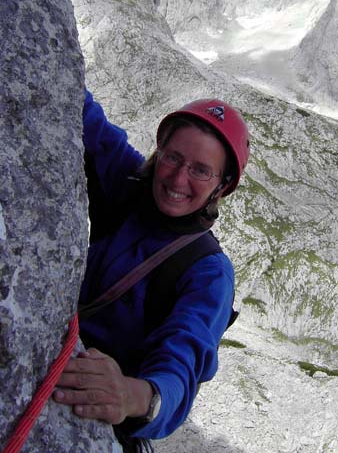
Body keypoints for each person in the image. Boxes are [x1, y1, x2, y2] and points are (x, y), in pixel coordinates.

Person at [52, 90, 250, 451]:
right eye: (173, 158)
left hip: (104, 414)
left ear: (221, 187)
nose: (177, 180)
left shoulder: (208, 273)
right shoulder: (128, 184)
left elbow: (181, 367)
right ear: (159, 153)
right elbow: (78, 105)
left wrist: (131, 395)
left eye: (200, 170)